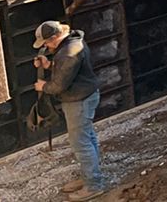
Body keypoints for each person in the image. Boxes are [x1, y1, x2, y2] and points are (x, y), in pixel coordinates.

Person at [33, 20, 105, 200]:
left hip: (79, 101)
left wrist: (43, 86)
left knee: (81, 143)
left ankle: (93, 185)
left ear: (55, 37)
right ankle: (91, 176)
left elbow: (58, 85)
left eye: (47, 43)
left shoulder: (68, 54)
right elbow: (68, 71)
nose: (46, 47)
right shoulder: (72, 42)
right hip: (84, 95)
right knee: (88, 137)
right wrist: (49, 65)